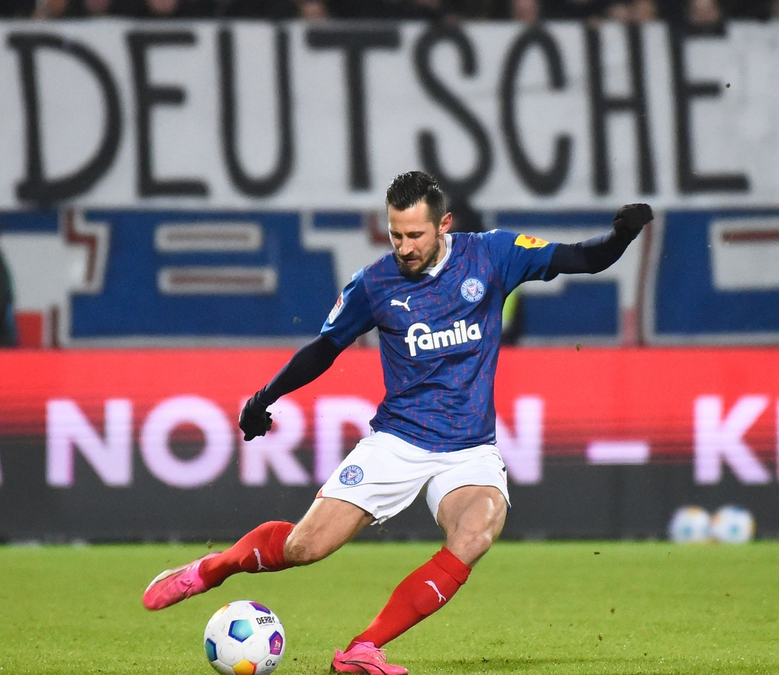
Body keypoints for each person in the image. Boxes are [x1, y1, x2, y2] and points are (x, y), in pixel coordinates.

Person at [142, 171, 653, 675]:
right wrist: (266, 396)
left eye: (415, 235)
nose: (404, 247)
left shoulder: (493, 255)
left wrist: (620, 236)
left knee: (475, 534)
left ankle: (362, 650)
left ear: (443, 225)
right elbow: (326, 347)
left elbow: (583, 258)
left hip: (469, 448)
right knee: (305, 547)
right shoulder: (375, 284)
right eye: (395, 234)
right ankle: (210, 569)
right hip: (398, 441)